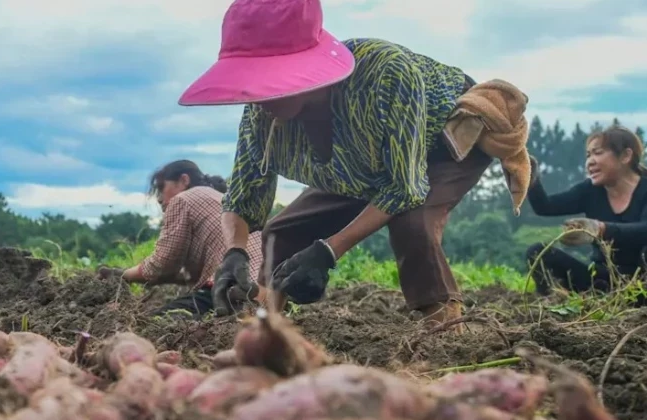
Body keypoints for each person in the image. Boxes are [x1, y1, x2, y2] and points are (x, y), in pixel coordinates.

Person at [181, 0, 531, 329]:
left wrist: (328, 251)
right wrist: (235, 251)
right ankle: (267, 324)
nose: (262, 96)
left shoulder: (386, 74)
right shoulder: (260, 112)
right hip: (361, 162)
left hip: (440, 143)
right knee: (281, 232)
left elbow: (402, 189)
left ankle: (443, 328)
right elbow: (244, 192)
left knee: (413, 223)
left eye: (273, 79)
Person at [524, 125, 647, 303]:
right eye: (588, 155)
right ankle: (555, 306)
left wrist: (600, 229)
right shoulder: (590, 190)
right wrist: (528, 176)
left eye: (597, 153)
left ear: (626, 156)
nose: (590, 161)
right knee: (537, 252)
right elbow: (545, 207)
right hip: (606, 283)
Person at [120, 160, 265, 317]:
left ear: (184, 180)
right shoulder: (223, 200)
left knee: (154, 323)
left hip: (234, 288)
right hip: (269, 289)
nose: (159, 199)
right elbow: (178, 273)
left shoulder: (183, 199)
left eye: (161, 188)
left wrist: (123, 274)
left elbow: (161, 264)